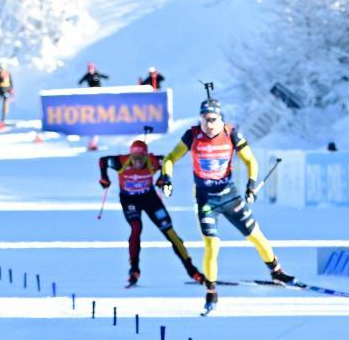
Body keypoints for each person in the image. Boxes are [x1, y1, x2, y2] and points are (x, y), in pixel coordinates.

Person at [157, 99, 293, 315]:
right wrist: (167, 178)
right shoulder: (192, 135)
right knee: (212, 245)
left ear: (221, 119)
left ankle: (276, 271)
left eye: (212, 119)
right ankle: (211, 291)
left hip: (230, 197)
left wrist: (251, 185)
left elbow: (251, 160)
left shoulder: (231, 134)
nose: (208, 124)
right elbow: (170, 158)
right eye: (204, 119)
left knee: (255, 235)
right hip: (206, 200)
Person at [99, 139, 203, 286]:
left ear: (146, 156)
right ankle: (134, 269)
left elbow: (167, 162)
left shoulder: (153, 161)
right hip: (130, 200)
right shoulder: (120, 162)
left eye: (141, 158)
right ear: (130, 156)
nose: (137, 162)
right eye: (135, 158)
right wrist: (104, 178)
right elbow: (102, 161)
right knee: (136, 227)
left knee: (169, 231)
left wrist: (162, 178)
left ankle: (193, 271)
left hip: (149, 198)